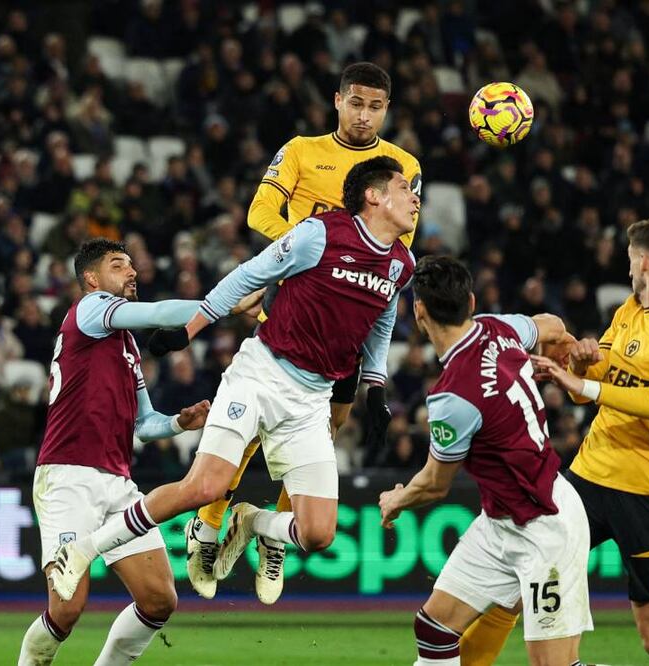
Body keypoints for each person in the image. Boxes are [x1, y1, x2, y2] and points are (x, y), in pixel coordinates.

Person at [48, 157, 417, 612]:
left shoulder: (402, 262)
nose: (415, 196)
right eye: (404, 187)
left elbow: (381, 323)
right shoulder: (318, 233)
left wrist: (376, 387)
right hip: (261, 373)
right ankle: (82, 552)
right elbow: (248, 276)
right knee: (203, 486)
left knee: (319, 534)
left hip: (312, 398)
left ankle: (249, 521)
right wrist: (191, 331)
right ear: (374, 195)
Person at [181, 60, 424, 608]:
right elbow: (260, 210)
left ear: (387, 110)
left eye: (375, 106)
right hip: (298, 296)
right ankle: (209, 518)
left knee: (329, 426)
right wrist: (311, 253)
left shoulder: (403, 165)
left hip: (352, 310)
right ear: (337, 101)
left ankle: (275, 537)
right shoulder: (299, 150)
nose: (364, 115)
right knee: (249, 423)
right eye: (355, 103)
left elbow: (398, 236)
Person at [378, 256, 591, 666]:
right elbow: (551, 324)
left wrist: (396, 500)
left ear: (418, 311)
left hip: (545, 526)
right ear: (471, 302)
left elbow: (436, 484)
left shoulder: (451, 396)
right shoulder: (498, 328)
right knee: (435, 629)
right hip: (500, 522)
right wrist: (559, 354)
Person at [531, 218, 649, 666]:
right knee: (535, 568)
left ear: (644, 261)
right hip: (589, 476)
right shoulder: (629, 310)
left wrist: (583, 388)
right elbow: (604, 366)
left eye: (630, 259)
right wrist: (580, 359)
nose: (629, 269)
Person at [17, 238, 212, 666]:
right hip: (68, 476)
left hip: (117, 481)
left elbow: (144, 425)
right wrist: (222, 302)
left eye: (131, 265)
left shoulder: (124, 343)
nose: (132, 272)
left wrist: (179, 422)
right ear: (91, 279)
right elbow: (160, 314)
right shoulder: (89, 309)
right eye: (118, 264)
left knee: (159, 599)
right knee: (66, 608)